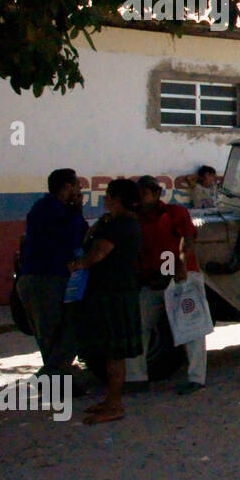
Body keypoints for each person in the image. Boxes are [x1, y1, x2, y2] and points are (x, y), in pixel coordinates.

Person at [69, 178, 142, 424]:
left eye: (109, 195)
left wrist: (79, 264)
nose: (105, 199)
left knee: (114, 354)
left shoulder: (120, 225)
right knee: (110, 352)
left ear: (117, 198)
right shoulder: (116, 222)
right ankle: (110, 400)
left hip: (114, 293)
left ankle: (114, 404)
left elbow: (97, 253)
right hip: (113, 292)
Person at [128, 176, 205, 395]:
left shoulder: (174, 213)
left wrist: (180, 263)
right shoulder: (136, 218)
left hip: (180, 277)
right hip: (154, 278)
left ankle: (196, 378)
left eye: (145, 193)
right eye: (139, 193)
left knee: (191, 327)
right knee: (140, 325)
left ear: (156, 193)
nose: (141, 198)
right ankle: (136, 377)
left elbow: (188, 239)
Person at [18, 168, 89, 383]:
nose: (79, 190)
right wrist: (77, 210)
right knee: (59, 331)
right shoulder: (51, 210)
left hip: (46, 277)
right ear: (67, 187)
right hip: (44, 278)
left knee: (54, 334)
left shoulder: (49, 208)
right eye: (76, 185)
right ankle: (51, 375)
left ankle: (57, 379)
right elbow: (74, 237)